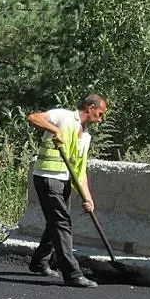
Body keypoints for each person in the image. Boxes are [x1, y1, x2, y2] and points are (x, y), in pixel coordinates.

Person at [26, 94, 107, 288]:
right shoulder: (63, 116)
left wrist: (87, 198)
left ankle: (39, 262)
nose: (101, 119)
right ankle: (72, 273)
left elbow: (79, 171)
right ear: (90, 107)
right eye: (100, 113)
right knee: (62, 223)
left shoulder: (86, 136)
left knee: (56, 222)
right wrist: (55, 130)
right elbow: (32, 117)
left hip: (64, 181)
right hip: (46, 177)